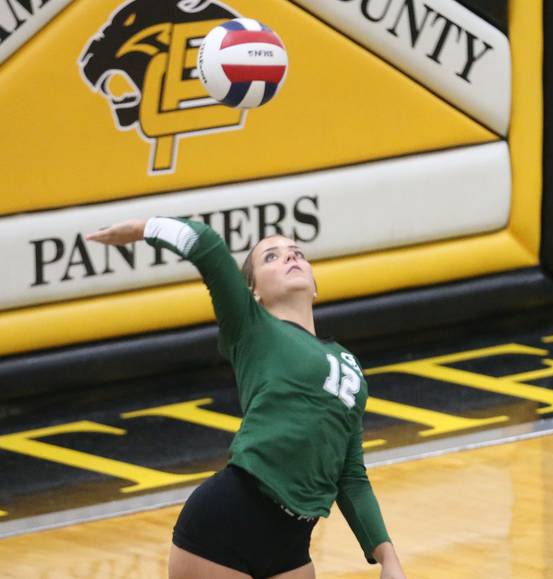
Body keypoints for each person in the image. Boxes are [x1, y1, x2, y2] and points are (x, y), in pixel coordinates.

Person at [87, 217, 407, 579]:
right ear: (254, 292)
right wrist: (144, 229)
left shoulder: (348, 365)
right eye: (271, 257)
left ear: (315, 285)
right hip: (226, 526)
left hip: (292, 546)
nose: (290, 258)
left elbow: (350, 475)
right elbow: (207, 245)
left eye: (297, 253)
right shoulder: (251, 327)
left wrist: (387, 557)